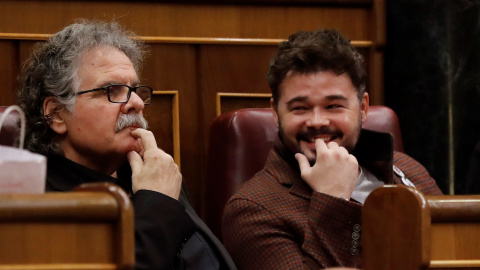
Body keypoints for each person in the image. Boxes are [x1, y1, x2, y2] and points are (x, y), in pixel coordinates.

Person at [17, 20, 236, 270]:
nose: (136, 103)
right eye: (112, 90)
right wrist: (157, 202)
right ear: (56, 113)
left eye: (134, 89)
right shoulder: (35, 202)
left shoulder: (152, 172)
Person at [221, 29, 442, 269]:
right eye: (300, 108)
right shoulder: (252, 209)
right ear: (276, 113)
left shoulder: (410, 169)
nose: (317, 121)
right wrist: (333, 199)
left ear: (363, 108)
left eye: (333, 106)